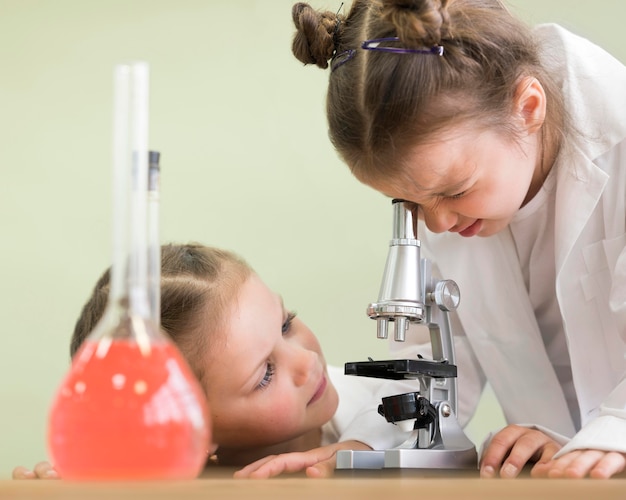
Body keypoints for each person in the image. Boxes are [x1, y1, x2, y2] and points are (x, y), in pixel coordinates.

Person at [290, 0, 626, 479]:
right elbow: (438, 358)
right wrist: (370, 440)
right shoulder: (453, 188)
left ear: (528, 108)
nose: (437, 224)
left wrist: (613, 431)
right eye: (408, 203)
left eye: (454, 192)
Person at [13, 243, 415, 480]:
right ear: (189, 426)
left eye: (286, 324)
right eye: (265, 375)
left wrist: (360, 448)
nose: (307, 362)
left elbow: (435, 424)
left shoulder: (376, 405)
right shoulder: (174, 473)